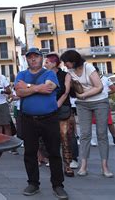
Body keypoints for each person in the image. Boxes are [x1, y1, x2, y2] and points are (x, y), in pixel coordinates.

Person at [15, 47, 68, 199]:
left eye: (36, 57)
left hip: (49, 118)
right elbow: (19, 92)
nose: (33, 59)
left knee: (53, 153)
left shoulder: (49, 73)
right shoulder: (22, 74)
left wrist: (29, 87)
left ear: (41, 58)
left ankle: (58, 185)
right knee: (30, 152)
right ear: (27, 59)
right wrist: (38, 87)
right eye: (30, 57)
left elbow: (49, 88)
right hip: (28, 119)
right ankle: (33, 183)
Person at [60, 49, 112, 178]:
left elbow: (99, 86)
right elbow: (67, 89)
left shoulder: (88, 68)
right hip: (83, 104)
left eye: (66, 62)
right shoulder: (70, 72)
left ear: (73, 61)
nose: (65, 65)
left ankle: (105, 167)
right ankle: (83, 166)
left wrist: (83, 95)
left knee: (102, 134)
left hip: (100, 102)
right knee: (84, 134)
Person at [44, 53, 75, 177]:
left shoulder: (65, 75)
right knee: (51, 138)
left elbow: (66, 92)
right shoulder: (45, 75)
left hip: (62, 108)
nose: (45, 64)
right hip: (48, 110)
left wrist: (57, 104)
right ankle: (54, 162)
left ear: (54, 63)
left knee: (65, 137)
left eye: (47, 62)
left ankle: (67, 165)